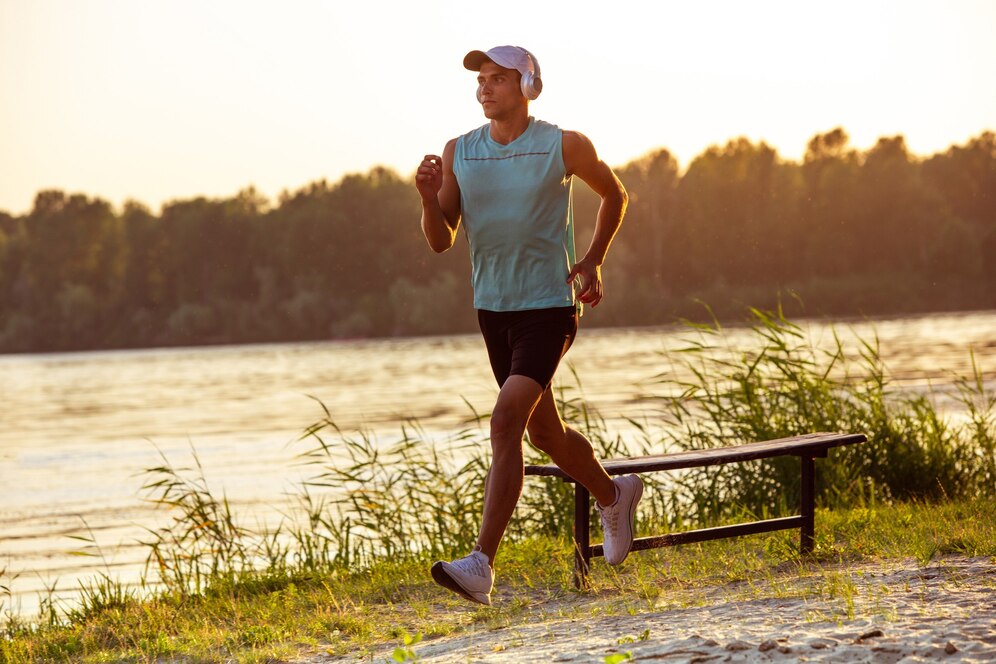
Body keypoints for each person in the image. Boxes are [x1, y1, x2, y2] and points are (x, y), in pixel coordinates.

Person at [415, 45, 643, 606]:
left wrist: (592, 260)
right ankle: (614, 495)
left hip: (549, 306)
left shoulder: (562, 144)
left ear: (527, 85)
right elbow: (442, 239)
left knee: (506, 420)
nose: (484, 88)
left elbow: (615, 193)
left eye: (497, 79)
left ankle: (481, 563)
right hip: (494, 310)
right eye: (481, 80)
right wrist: (426, 198)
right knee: (545, 434)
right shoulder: (459, 151)